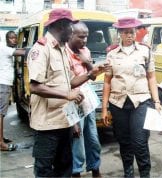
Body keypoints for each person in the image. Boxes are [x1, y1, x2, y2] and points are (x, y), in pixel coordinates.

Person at [27, 9, 104, 177]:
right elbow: (35, 87)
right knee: (44, 170)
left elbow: (70, 82)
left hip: (64, 121)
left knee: (65, 168)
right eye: (71, 26)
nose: (72, 30)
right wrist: (67, 95)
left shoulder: (61, 50)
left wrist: (91, 74)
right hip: (47, 124)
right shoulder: (41, 49)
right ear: (62, 26)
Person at [102, 17, 162, 178]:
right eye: (126, 32)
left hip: (141, 101)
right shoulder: (112, 54)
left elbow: (151, 77)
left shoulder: (145, 51)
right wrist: (104, 109)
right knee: (124, 141)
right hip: (118, 103)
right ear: (120, 34)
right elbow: (107, 82)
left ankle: (145, 173)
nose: (130, 35)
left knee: (140, 142)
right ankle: (128, 171)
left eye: (132, 32)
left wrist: (156, 101)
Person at [66, 22, 105, 178]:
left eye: (86, 36)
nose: (85, 40)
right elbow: (68, 83)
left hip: (87, 100)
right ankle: (77, 172)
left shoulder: (85, 51)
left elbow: (93, 75)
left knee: (93, 138)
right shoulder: (64, 53)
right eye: (81, 36)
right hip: (72, 103)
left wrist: (86, 61)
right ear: (70, 35)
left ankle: (95, 168)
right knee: (77, 139)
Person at [0, 31, 27, 151]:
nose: (14, 40)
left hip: (4, 84)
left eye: (16, 38)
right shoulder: (5, 48)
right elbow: (22, 52)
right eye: (11, 38)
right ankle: (1, 143)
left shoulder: (5, 48)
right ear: (6, 39)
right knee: (1, 114)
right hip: (3, 84)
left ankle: (0, 138)